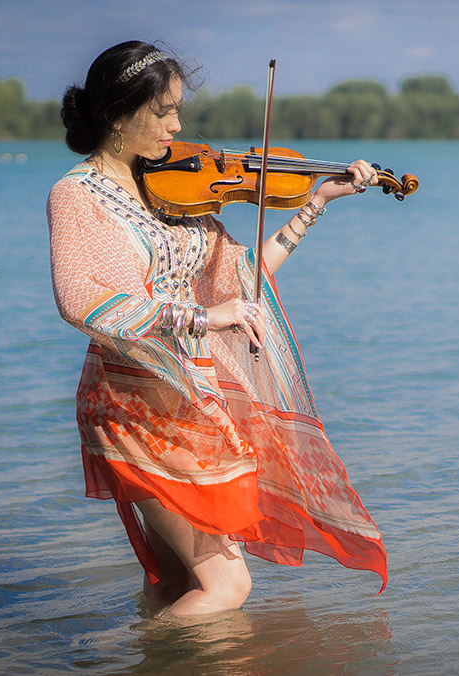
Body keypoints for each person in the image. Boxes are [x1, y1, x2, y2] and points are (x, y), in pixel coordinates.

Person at [47, 41, 387, 618]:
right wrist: (202, 318)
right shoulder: (76, 195)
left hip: (192, 402)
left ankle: (139, 657)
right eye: (162, 111)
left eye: (177, 109)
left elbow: (242, 282)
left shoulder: (173, 190)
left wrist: (314, 204)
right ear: (116, 114)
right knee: (227, 588)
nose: (176, 125)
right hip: (133, 406)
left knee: (176, 583)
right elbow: (82, 302)